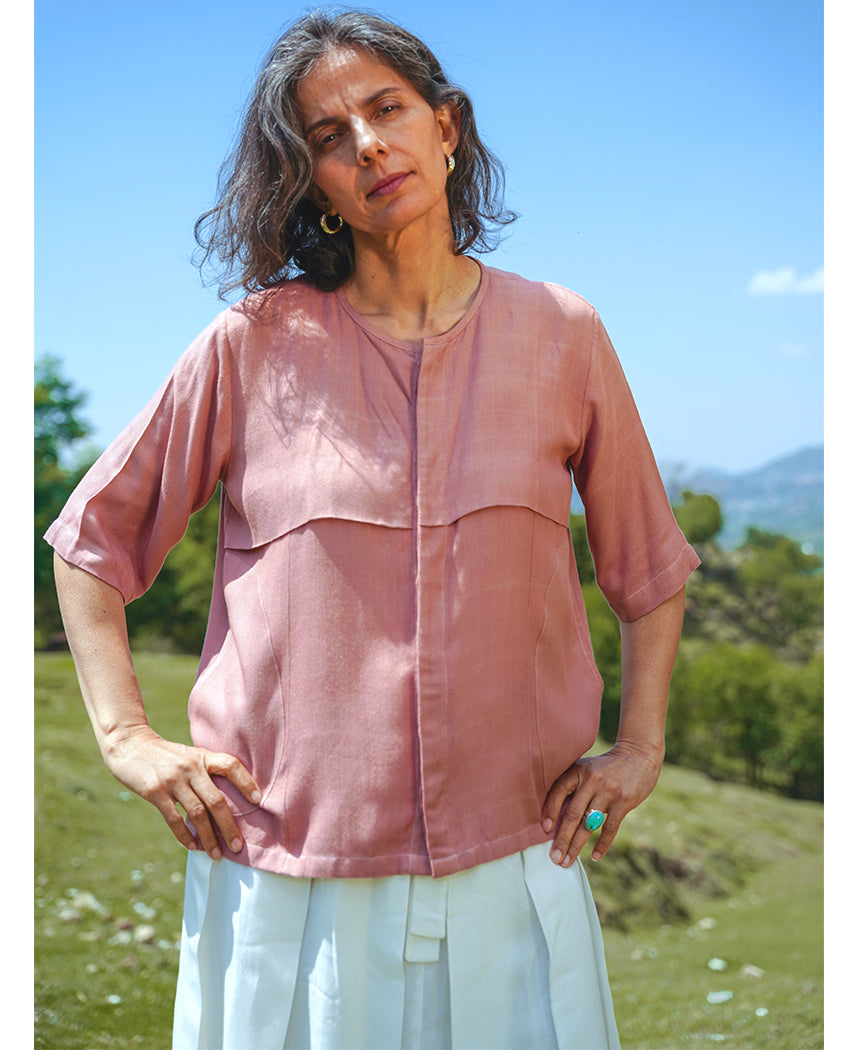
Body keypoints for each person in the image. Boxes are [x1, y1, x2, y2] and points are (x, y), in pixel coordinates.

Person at [47, 9, 700, 1049]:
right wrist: (125, 736)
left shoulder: (565, 335)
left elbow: (649, 566)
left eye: (387, 109)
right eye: (327, 136)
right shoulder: (248, 346)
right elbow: (92, 541)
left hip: (518, 865)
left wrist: (641, 747)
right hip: (290, 879)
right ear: (310, 181)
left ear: (447, 127)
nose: (367, 146)